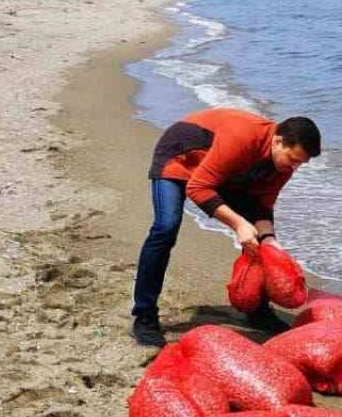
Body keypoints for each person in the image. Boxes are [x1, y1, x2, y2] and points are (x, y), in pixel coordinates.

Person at [131, 108, 321, 347]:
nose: (294, 168)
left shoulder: (282, 164)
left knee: (259, 241)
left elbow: (262, 206)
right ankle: (144, 316)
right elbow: (198, 188)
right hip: (180, 155)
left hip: (224, 170)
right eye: (293, 159)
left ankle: (257, 310)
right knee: (165, 227)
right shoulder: (243, 137)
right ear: (278, 140)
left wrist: (269, 239)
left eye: (300, 163)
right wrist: (239, 224)